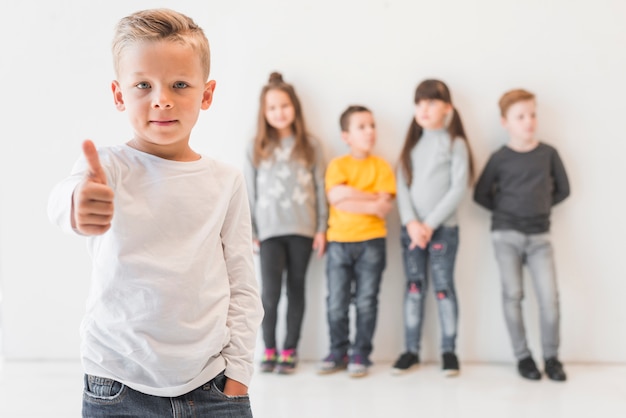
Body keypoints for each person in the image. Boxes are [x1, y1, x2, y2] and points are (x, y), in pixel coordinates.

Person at [47, 9, 263, 417]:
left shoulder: (226, 181)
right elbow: (61, 201)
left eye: (179, 84)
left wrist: (239, 373)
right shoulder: (107, 168)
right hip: (116, 384)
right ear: (118, 94)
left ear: (206, 93)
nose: (161, 98)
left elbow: (242, 285)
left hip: (213, 385)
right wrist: (77, 203)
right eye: (143, 85)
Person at [473, 88, 570, 382]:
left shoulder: (548, 154)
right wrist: (508, 213)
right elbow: (481, 194)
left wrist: (538, 208)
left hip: (540, 237)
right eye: (520, 116)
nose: (528, 121)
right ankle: (523, 357)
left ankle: (551, 358)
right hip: (506, 236)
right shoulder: (499, 158)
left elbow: (563, 190)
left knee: (549, 298)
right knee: (513, 294)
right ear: (506, 122)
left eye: (532, 115)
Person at [244, 72, 328, 375]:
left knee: (297, 289)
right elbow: (249, 193)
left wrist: (321, 227)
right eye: (273, 108)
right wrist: (252, 230)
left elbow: (320, 188)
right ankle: (269, 349)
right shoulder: (255, 146)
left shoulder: (311, 146)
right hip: (269, 232)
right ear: (264, 113)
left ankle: (289, 350)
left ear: (295, 108)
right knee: (269, 293)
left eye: (285, 106)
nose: (279, 112)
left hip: (303, 230)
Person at [392, 79, 474, 377]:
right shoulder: (411, 145)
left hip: (443, 231)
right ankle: (411, 350)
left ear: (447, 108)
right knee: (414, 289)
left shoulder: (455, 144)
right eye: (419, 103)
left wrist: (428, 224)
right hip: (411, 231)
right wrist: (412, 223)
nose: (423, 109)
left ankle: (449, 351)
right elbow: (401, 187)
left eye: (431, 102)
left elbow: (457, 188)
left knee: (443, 288)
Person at [317, 105, 396, 378]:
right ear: (346, 135)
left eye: (372, 125)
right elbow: (335, 197)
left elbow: (383, 209)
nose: (370, 131)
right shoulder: (337, 165)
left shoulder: (382, 166)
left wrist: (354, 197)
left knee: (366, 301)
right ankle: (338, 351)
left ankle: (361, 352)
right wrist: (371, 198)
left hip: (372, 242)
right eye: (361, 126)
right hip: (338, 242)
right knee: (336, 302)